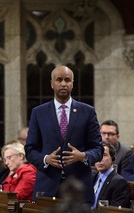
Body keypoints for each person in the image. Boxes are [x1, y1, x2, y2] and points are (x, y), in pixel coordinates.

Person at [24, 65, 103, 204]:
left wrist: (83, 156)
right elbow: (30, 150)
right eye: (59, 80)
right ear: (52, 83)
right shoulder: (38, 112)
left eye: (67, 80)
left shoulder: (88, 112)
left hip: (79, 189)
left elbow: (98, 149)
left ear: (72, 84)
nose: (63, 84)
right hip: (47, 188)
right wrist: (46, 159)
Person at [93, 141, 130, 209]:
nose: (99, 159)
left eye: (104, 155)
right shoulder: (92, 178)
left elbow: (116, 210)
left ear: (112, 158)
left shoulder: (119, 182)